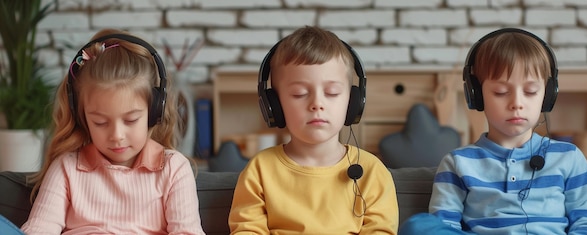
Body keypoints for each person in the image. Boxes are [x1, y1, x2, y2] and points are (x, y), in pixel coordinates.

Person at [398, 28, 587, 235]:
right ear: (476, 95)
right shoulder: (457, 162)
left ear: (547, 96)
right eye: (500, 92)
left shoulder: (569, 157)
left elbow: (586, 223)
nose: (517, 103)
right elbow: (444, 224)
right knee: (419, 226)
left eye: (530, 91)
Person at [20, 29, 205, 234]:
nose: (117, 135)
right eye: (100, 122)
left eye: (131, 120)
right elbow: (38, 229)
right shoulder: (66, 168)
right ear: (82, 119)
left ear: (154, 113)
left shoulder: (174, 169)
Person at [228, 26, 399, 234]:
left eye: (332, 92)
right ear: (275, 105)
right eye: (299, 94)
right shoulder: (259, 170)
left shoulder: (372, 172)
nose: (317, 104)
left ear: (353, 101)